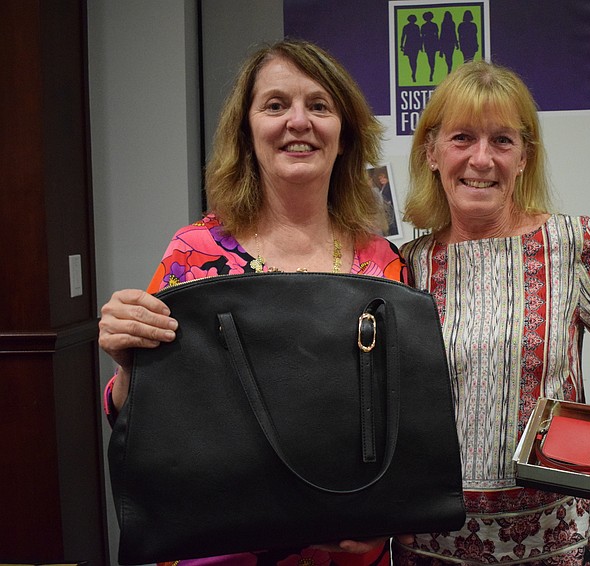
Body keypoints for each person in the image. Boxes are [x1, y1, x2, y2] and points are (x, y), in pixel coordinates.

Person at [98, 39, 409, 566]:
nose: (298, 121)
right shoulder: (193, 253)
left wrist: (386, 515)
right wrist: (130, 367)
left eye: (319, 105)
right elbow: (141, 420)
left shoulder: (384, 263)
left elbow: (399, 413)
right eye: (275, 105)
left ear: (344, 135)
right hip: (219, 551)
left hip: (348, 552)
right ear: (247, 132)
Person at [395, 60, 590, 565]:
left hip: (552, 537)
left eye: (502, 141)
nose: (481, 159)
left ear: (523, 158)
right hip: (430, 539)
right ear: (431, 151)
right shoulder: (406, 264)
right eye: (462, 138)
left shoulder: (568, 242)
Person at [400, 14, 423, 83]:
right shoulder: (406, 27)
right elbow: (403, 36)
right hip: (409, 45)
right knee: (412, 60)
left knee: (413, 60)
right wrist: (401, 45)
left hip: (414, 45)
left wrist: (421, 46)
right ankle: (413, 72)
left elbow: (419, 37)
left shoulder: (416, 27)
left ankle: (413, 73)